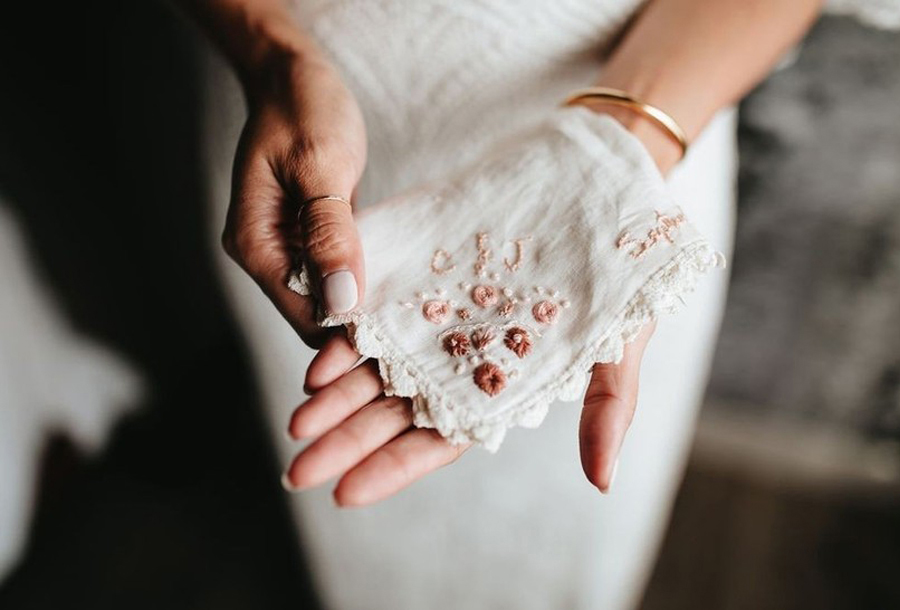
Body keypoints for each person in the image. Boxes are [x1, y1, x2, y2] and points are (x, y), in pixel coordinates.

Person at [178, 0, 894, 607]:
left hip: (642, 130)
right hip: (302, 139)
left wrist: (616, 155)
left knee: (558, 547)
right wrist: (270, 50)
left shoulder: (616, 179)